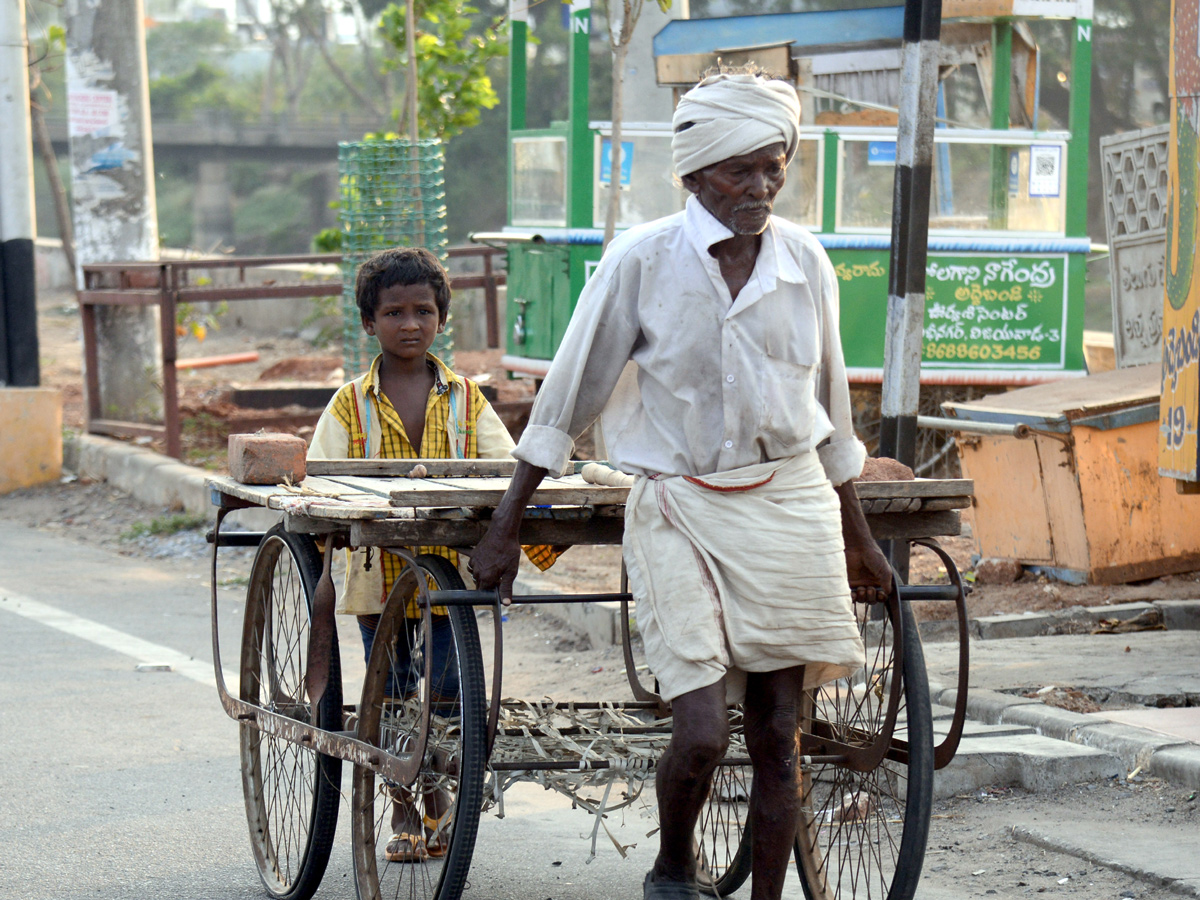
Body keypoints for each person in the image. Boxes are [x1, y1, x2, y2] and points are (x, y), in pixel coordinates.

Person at [468, 68, 892, 900]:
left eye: (774, 166)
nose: (762, 186)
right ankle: (671, 865)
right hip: (679, 504)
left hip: (792, 499)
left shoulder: (805, 262)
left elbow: (832, 411)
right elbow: (569, 395)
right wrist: (505, 523)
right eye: (742, 170)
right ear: (695, 173)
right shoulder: (643, 259)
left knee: (777, 733)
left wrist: (862, 537)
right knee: (699, 732)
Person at [308, 246, 556, 863]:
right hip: (378, 582)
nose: (410, 323)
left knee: (445, 695)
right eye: (394, 312)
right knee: (390, 698)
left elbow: (506, 467)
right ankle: (401, 816)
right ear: (370, 322)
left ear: (441, 318)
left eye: (423, 310)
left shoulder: (468, 399)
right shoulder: (349, 402)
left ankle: (439, 810)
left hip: (451, 582)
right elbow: (318, 483)